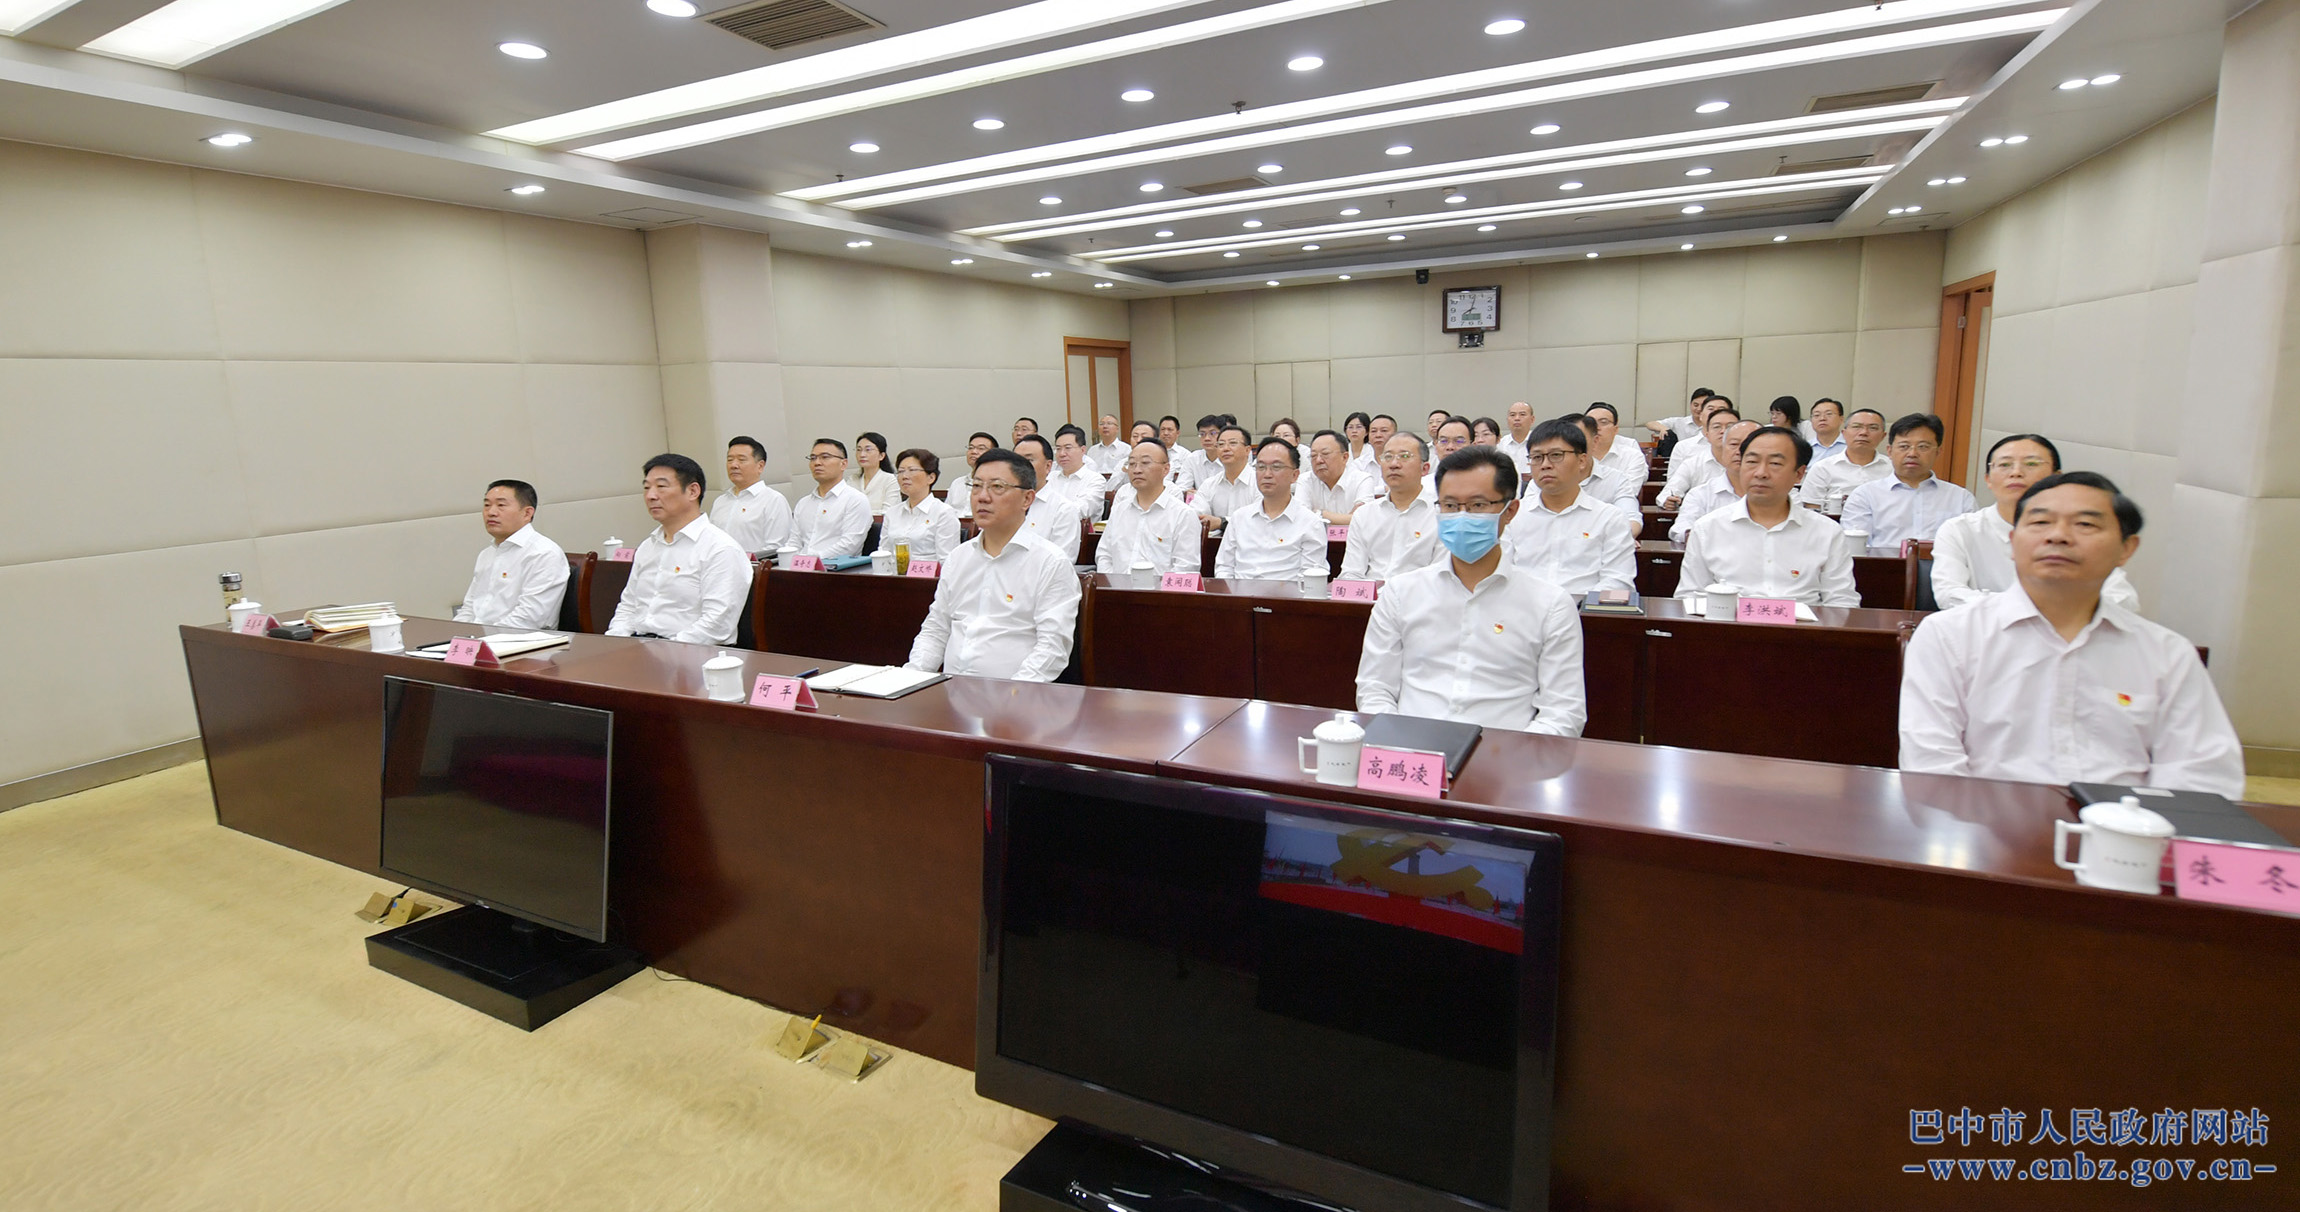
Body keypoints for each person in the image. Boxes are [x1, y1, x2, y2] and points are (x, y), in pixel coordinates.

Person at [1899, 472, 2241, 795]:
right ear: (2013, 543)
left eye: (2085, 524)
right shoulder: (1949, 636)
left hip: (2127, 832)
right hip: (1983, 830)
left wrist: (2134, 832)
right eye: (2040, 522)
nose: (2058, 536)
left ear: (2126, 548)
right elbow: (1932, 766)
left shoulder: (2167, 654)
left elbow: (2202, 776)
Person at [1356, 447, 1586, 735]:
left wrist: (1512, 757)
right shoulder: (1401, 593)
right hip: (1412, 749)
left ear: (1510, 511)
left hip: (1505, 755)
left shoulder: (1550, 604)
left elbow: (1563, 713)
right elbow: (1375, 689)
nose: (1461, 517)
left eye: (1478, 505)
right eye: (1450, 506)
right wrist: (1400, 744)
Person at [906, 449, 1081, 682]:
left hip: (1016, 695)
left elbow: (1052, 649)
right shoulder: (958, 558)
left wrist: (1011, 694)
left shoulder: (1050, 562)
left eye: (997, 487)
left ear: (1027, 499)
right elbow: (936, 630)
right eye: (976, 486)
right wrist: (911, 679)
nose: (982, 497)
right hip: (952, 693)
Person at [1933, 434, 2139, 612]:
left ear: (2057, 477)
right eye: (2004, 465)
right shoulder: (1959, 530)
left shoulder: (2078, 533)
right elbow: (1949, 594)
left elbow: (2123, 599)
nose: (2016, 472)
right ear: (1988, 479)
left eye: (2031, 464)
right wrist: (2042, 610)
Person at [1678, 427, 1858, 607]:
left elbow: (1841, 601)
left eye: (1775, 464)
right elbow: (1690, 597)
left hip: (1806, 623)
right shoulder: (1708, 528)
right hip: (1728, 622)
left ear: (1799, 474)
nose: (1761, 473)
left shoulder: (1827, 532)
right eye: (1752, 462)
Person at [606, 454, 751, 644]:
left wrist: (664, 650)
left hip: (691, 653)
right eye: (647, 487)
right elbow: (628, 607)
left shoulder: (720, 549)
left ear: (692, 491)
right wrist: (616, 643)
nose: (650, 496)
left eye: (661, 486)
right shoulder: (648, 546)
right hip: (639, 648)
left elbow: (716, 626)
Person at [1501, 420, 1636, 595]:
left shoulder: (1609, 518)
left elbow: (1618, 581)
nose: (1545, 465)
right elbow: (1501, 573)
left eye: (1556, 455)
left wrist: (1568, 608)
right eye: (1537, 457)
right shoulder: (1512, 516)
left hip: (1584, 609)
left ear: (1582, 460)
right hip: (1523, 607)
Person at [1839, 413, 1975, 547]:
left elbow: (1971, 546)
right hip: (1883, 562)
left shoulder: (1961, 498)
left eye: (1923, 447)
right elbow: (1856, 548)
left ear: (1938, 452)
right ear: (1890, 451)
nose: (1912, 454)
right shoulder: (1865, 495)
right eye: (1904, 446)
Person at [452, 479, 569, 629]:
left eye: (501, 505)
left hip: (521, 639)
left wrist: (481, 638)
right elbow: (469, 609)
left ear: (527, 513)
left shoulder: (543, 553)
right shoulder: (487, 554)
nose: (491, 512)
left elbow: (529, 619)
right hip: (482, 637)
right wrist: (456, 634)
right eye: (487, 505)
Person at [1215, 438, 1329, 580]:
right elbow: (1224, 567)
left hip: (1288, 593)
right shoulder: (1239, 518)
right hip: (1239, 592)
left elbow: (1310, 578)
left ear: (1294, 475)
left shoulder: (1310, 523)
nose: (1267, 474)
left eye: (1276, 467)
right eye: (1261, 467)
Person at [1339, 434, 1442, 581]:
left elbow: (1440, 577)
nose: (1394, 464)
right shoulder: (1364, 514)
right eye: (1387, 457)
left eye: (1404, 456)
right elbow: (1351, 573)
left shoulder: (1440, 516)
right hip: (1370, 594)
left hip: (1419, 594)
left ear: (1424, 468)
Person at [1097, 439, 1199, 574]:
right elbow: (1104, 555)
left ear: (1166, 469)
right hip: (1117, 585)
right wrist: (1113, 583)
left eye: (1145, 463)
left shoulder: (1183, 515)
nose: (1137, 470)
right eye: (1131, 464)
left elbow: (1186, 567)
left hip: (1160, 587)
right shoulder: (1119, 510)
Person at [1669, 419, 1758, 541]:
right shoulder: (1701, 494)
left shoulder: (1781, 495)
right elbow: (1680, 530)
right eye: (1733, 444)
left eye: (1748, 445)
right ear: (1723, 449)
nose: (1739, 451)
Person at [875, 448, 962, 563]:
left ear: (931, 477)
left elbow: (947, 562)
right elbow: (884, 553)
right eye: (900, 471)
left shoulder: (943, 513)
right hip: (893, 573)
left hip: (928, 574)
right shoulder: (892, 513)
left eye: (912, 470)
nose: (904, 476)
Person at [790, 438, 873, 557]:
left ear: (843, 464)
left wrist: (812, 559)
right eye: (813, 458)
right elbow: (794, 542)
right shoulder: (803, 503)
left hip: (836, 567)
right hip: (801, 565)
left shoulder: (856, 500)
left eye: (825, 457)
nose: (817, 463)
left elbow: (849, 546)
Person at [710, 436, 793, 554]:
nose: (734, 465)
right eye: (730, 460)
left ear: (760, 466)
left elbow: (776, 548)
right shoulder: (720, 501)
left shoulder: (773, 500)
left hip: (755, 564)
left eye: (741, 460)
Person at [1799, 408, 1890, 509]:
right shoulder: (1822, 468)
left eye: (1872, 428)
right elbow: (1811, 509)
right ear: (1844, 433)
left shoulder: (1893, 468)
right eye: (1856, 427)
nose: (1863, 432)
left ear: (1883, 436)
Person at [1014, 434, 1084, 562]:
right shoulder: (1002, 504)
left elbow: (1061, 562)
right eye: (1015, 461)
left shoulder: (1063, 510)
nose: (1020, 467)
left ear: (1048, 466)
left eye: (1029, 460)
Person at [1661, 404, 1739, 508]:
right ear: (1707, 435)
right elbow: (1668, 492)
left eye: (1730, 427)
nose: (1723, 431)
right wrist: (1668, 500)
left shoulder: (1752, 464)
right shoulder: (1693, 464)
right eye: (1717, 427)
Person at [1567, 413, 1641, 519]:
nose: (1570, 447)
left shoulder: (1617, 479)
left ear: (1595, 441)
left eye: (1577, 440)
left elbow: (1631, 519)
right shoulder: (1547, 477)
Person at [1296, 429, 1374, 524]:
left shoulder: (1362, 480)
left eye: (1325, 454)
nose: (1318, 460)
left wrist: (1321, 514)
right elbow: (1301, 519)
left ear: (1345, 457)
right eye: (1313, 455)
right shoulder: (1305, 480)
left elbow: (1363, 520)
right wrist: (1348, 518)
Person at [1193, 423, 1259, 529]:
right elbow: (1195, 514)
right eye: (1221, 444)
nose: (1226, 449)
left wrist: (1221, 522)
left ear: (1247, 450)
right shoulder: (1209, 484)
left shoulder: (1259, 482)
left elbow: (1259, 519)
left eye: (1233, 443)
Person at [1048, 425, 1110, 522]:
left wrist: (1047, 513)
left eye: (1068, 448)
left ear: (1083, 450)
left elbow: (1081, 510)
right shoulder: (1050, 477)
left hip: (1079, 530)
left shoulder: (1096, 480)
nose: (1062, 454)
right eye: (1058, 449)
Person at [1585, 402, 1648, 485]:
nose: (1596, 427)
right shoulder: (1573, 453)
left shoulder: (1632, 455)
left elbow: (1629, 489)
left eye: (1603, 422)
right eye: (1590, 423)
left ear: (1615, 429)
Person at [847, 431, 900, 514]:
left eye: (868, 450)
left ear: (881, 456)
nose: (862, 454)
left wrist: (859, 515)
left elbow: (889, 512)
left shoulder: (890, 480)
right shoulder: (853, 479)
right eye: (859, 450)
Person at [950, 431, 998, 518]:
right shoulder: (957, 483)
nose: (974, 451)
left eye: (981, 448)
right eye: (971, 448)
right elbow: (946, 513)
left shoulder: (997, 484)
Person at [1424, 415, 1475, 497]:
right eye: (1444, 441)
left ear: (1472, 446)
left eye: (1459, 441)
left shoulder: (1487, 484)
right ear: (1436, 447)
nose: (1450, 447)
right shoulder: (1423, 486)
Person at [1174, 413, 1224, 492]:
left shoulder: (1230, 458)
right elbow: (1181, 487)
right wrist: (1186, 492)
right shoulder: (1193, 458)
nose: (1207, 438)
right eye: (1202, 434)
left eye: (1212, 433)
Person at [1644, 387, 1715, 442]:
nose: (1699, 409)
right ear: (1690, 404)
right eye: (1695, 405)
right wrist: (1663, 428)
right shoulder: (1679, 423)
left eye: (1703, 405)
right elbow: (1650, 424)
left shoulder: (1716, 425)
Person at [1497, 401, 1536, 474]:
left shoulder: (1539, 442)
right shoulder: (1500, 445)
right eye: (1512, 415)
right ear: (1507, 419)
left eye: (1522, 414)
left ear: (1532, 419)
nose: (1517, 418)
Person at [1356, 414, 1397, 481]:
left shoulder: (1403, 462)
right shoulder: (1359, 464)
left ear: (1395, 435)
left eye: (1384, 430)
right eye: (1373, 431)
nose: (1378, 435)